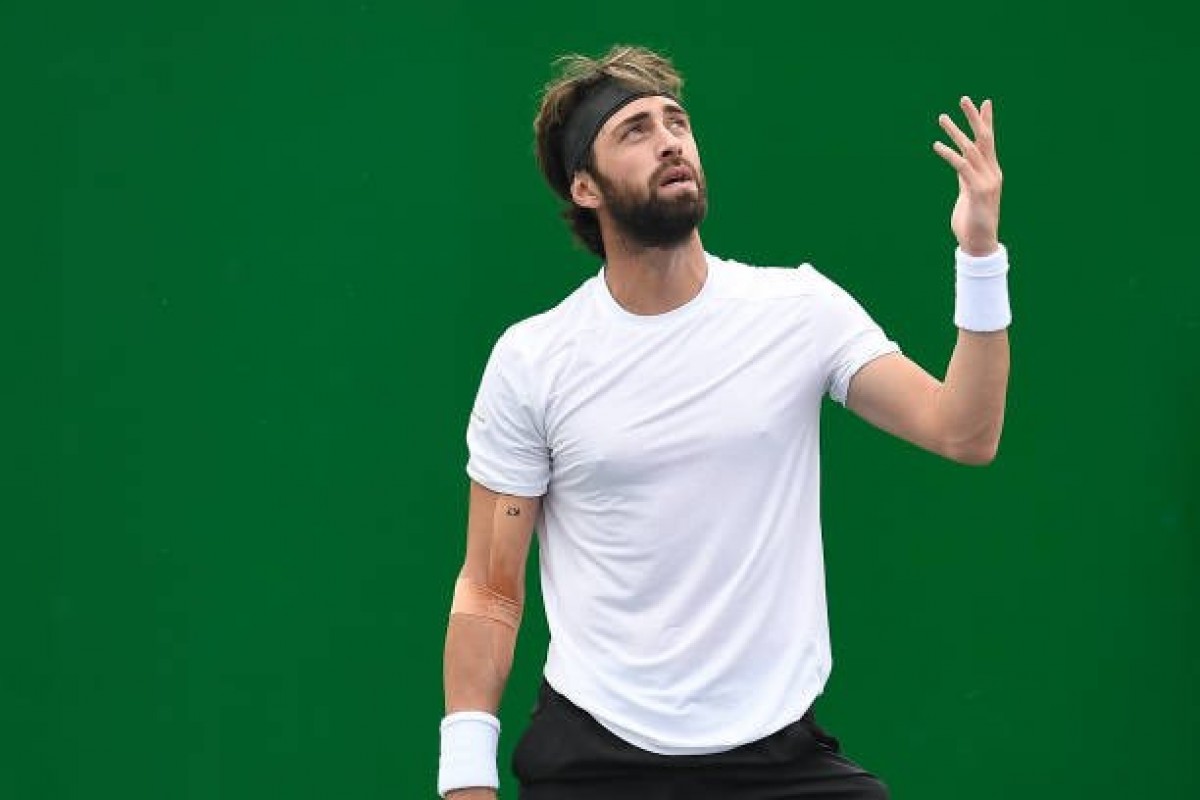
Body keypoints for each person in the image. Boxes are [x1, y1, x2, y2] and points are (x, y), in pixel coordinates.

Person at [438, 44, 1010, 800]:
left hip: (779, 757)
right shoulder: (533, 361)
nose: (669, 140)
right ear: (584, 186)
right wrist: (465, 777)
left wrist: (979, 253)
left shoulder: (799, 311)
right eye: (635, 130)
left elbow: (964, 431)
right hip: (598, 758)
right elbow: (489, 589)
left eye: (676, 122)